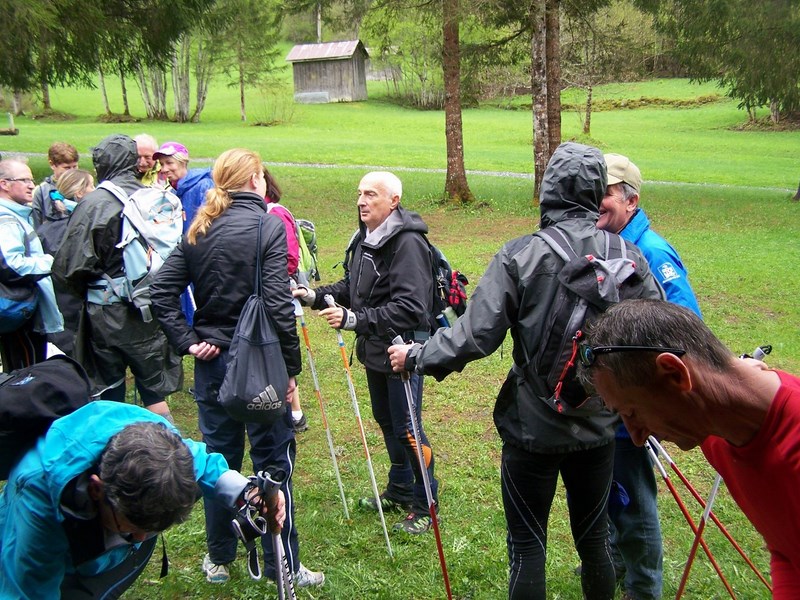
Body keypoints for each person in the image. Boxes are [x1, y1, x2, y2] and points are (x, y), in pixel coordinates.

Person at [388, 143, 664, 599]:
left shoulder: (521, 254)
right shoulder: (630, 255)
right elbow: (658, 333)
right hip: (598, 424)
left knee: (528, 546)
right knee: (594, 543)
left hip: (531, 427)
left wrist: (416, 356)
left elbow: (474, 335)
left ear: (548, 189)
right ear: (597, 192)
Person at [150, 148, 324, 588]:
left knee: (220, 463)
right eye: (262, 176)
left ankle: (220, 557)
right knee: (272, 463)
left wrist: (189, 341)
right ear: (253, 180)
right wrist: (290, 369)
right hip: (259, 362)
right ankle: (281, 563)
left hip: (215, 366)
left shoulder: (200, 227)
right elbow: (278, 306)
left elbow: (159, 294)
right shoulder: (265, 224)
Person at [580, 298, 800, 599]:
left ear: (674, 373)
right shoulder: (717, 429)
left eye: (632, 413)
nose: (637, 436)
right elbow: (787, 548)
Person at [0, 400, 286, 599]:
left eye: (150, 531)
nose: (139, 538)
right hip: (65, 548)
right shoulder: (36, 505)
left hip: (99, 542)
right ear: (98, 489)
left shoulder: (162, 444)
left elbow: (207, 467)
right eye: (131, 527)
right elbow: (27, 591)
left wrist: (250, 494)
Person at [294, 171, 440, 535]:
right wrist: (316, 296)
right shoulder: (366, 235)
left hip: (402, 350)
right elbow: (353, 286)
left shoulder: (406, 243)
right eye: (359, 194)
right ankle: (401, 487)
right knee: (387, 420)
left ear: (393, 201)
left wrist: (354, 319)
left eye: (371, 194)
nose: (361, 201)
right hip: (375, 348)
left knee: (408, 428)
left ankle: (427, 503)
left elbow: (411, 307)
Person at [592, 153, 702, 600]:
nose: (596, 200)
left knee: (633, 502)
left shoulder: (650, 251)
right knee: (613, 493)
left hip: (637, 408)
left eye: (606, 192)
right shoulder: (606, 244)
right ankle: (616, 560)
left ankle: (644, 588)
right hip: (611, 404)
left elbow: (687, 327)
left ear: (631, 200)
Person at [53, 134, 182, 422]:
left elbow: (68, 267)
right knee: (153, 391)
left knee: (108, 386)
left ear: (101, 163)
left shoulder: (95, 203)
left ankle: (114, 452)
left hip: (107, 313)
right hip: (149, 306)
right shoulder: (151, 196)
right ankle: (169, 450)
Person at [0, 159, 63, 371]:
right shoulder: (6, 219)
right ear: (4, 184)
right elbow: (12, 265)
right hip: (18, 311)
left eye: (31, 179)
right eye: (24, 180)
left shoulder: (16, 215)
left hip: (18, 309)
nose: (31, 185)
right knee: (25, 372)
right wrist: (49, 262)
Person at [263, 168, 308, 433]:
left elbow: (289, 258)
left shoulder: (275, 213)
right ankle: (291, 412)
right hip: (274, 290)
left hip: (279, 291)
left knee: (280, 348)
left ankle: (294, 412)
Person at [153, 141, 214, 326]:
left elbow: (209, 223)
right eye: (162, 164)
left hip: (201, 254)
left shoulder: (202, 186)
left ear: (183, 161)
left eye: (169, 163)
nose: (165, 169)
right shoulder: (171, 192)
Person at [31, 142, 79, 229]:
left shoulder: (84, 186)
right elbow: (36, 222)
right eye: (67, 168)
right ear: (52, 165)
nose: (72, 172)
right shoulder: (42, 191)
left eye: (75, 166)